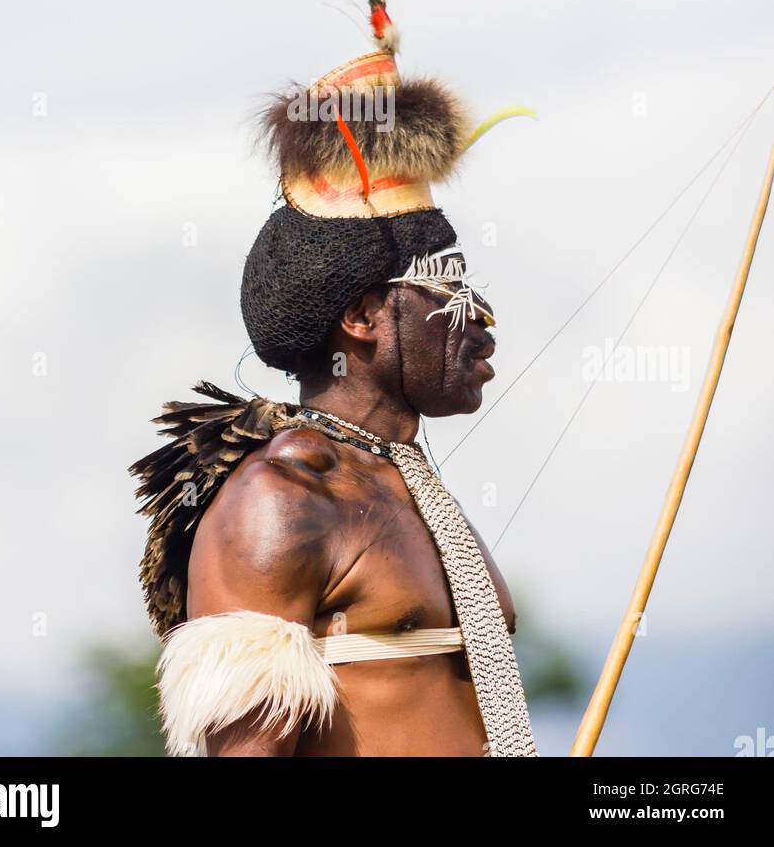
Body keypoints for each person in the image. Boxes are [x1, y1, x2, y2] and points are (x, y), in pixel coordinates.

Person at [132, 51, 538, 757]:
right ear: (363, 316)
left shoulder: (407, 484)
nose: (481, 319)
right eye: (448, 287)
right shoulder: (281, 500)